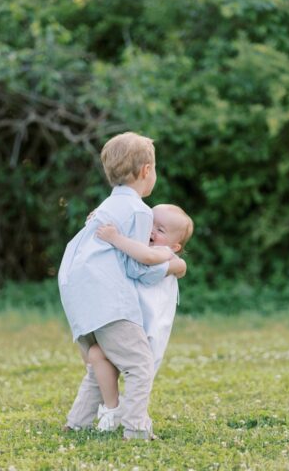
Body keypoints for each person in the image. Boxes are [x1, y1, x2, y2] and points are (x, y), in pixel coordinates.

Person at [57, 132, 186, 440]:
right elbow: (137, 268)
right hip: (106, 295)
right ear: (146, 171)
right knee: (139, 363)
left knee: (106, 358)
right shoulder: (140, 211)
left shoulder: (107, 207)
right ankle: (136, 429)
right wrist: (170, 266)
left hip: (76, 288)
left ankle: (77, 422)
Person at [88, 203, 194, 431]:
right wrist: (100, 219)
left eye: (161, 230)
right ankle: (112, 408)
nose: (152, 231)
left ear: (174, 246)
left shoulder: (161, 255)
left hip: (147, 333)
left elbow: (143, 257)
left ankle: (128, 418)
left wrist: (114, 236)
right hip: (128, 327)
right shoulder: (141, 250)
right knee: (97, 355)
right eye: (150, 223)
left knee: (134, 376)